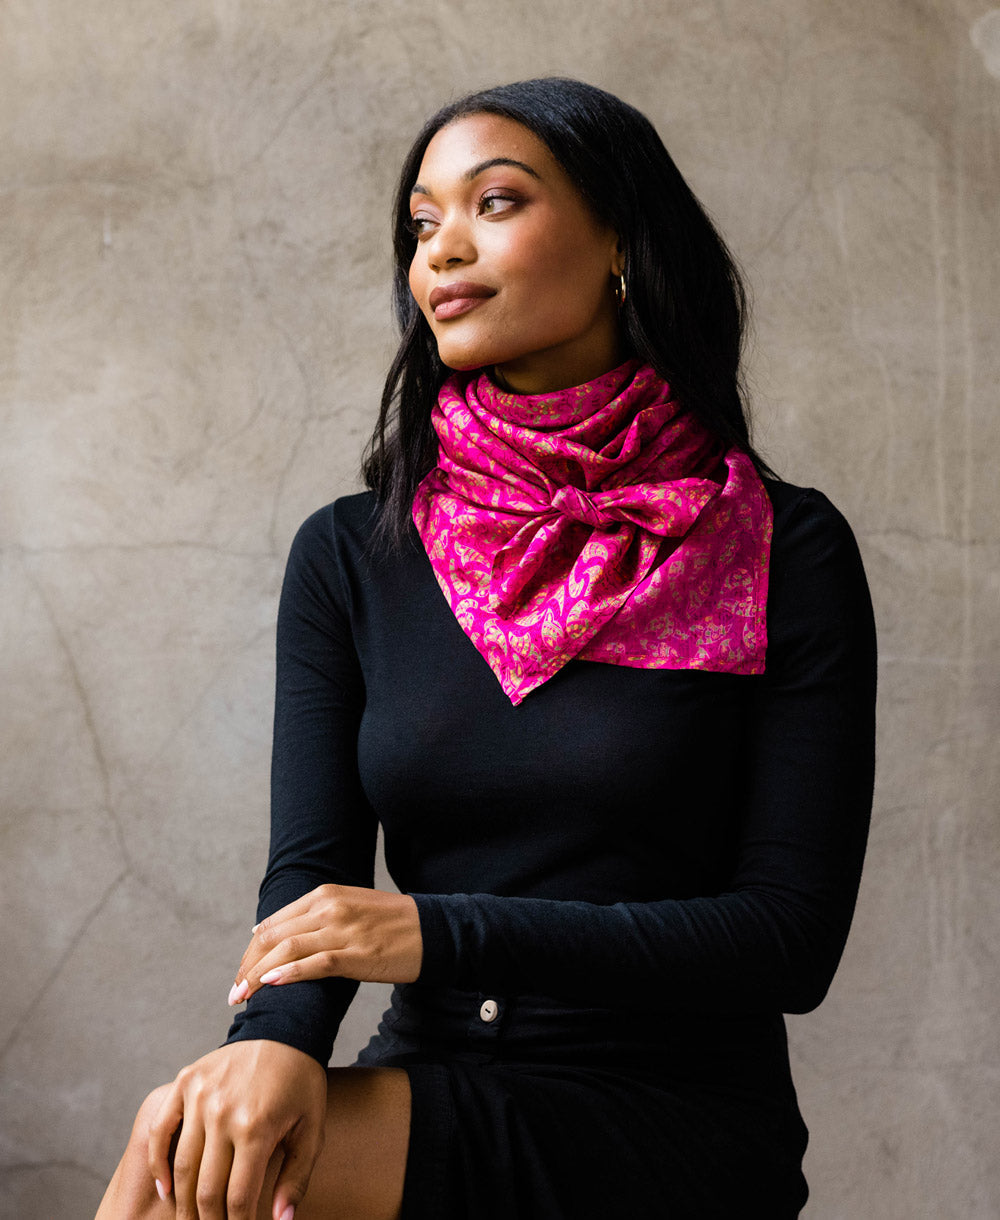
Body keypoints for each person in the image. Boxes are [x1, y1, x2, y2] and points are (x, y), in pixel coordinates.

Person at [96, 77, 876, 1220]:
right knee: (194, 1137)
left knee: (187, 1170)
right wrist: (273, 1042)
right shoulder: (352, 554)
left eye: (494, 203)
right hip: (437, 1065)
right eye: (420, 225)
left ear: (620, 237)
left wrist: (430, 929)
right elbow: (312, 871)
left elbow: (785, 940)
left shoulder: (779, 545)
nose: (440, 251)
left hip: (667, 1105)